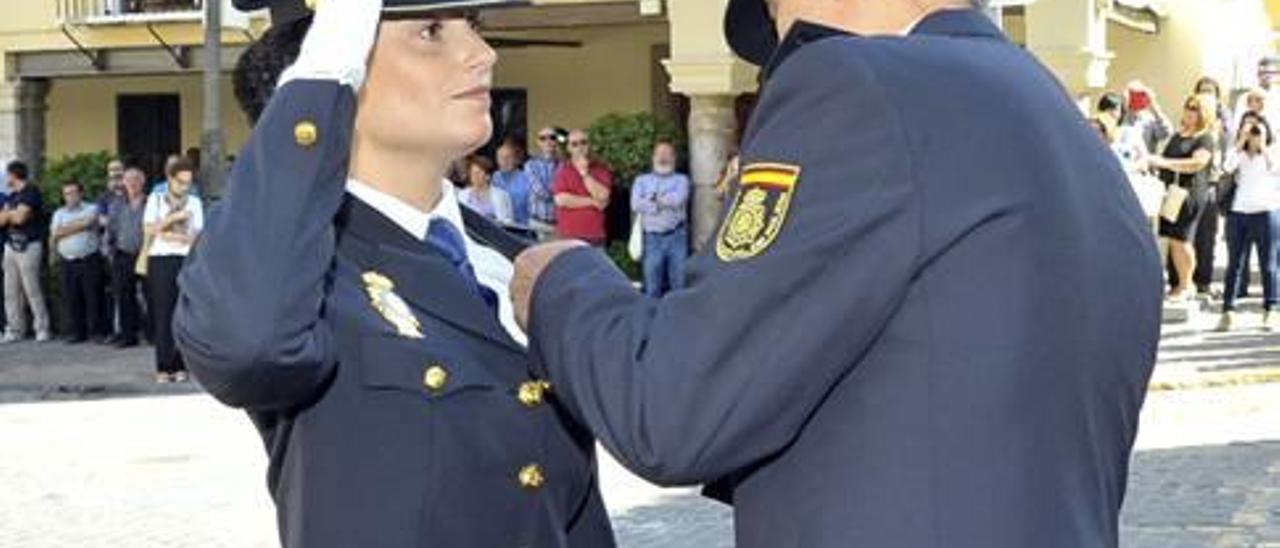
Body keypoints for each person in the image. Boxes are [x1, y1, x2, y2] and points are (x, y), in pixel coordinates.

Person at [509, 1, 1161, 547]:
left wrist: (562, 281)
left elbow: (672, 406)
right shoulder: (1049, 113)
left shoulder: (855, 81)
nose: (782, 54)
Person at [173, 1, 615, 547]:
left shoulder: (515, 260)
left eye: (472, 28)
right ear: (340, 67)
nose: (482, 54)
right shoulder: (304, 270)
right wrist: (322, 74)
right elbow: (247, 347)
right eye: (431, 31)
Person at [1216, 113, 1280, 332]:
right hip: (1239, 212)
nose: (1253, 134)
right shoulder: (1238, 153)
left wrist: (1262, 147)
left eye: (1257, 130)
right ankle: (1228, 311)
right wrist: (1241, 142)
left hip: (1266, 212)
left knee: (1268, 265)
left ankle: (1270, 309)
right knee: (1235, 263)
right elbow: (1227, 167)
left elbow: (1275, 169)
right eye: (1249, 130)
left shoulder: (1272, 151)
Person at [1149, 96, 1216, 300]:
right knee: (1172, 239)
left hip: (1189, 193)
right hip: (1171, 192)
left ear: (1203, 113)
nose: (1189, 112)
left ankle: (1186, 285)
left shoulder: (1205, 138)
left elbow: (1197, 163)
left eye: (1194, 109)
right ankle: (1179, 283)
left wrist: (1164, 163)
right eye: (1187, 107)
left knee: (1182, 238)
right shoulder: (1179, 134)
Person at [145, 158, 203, 383]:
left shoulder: (195, 202)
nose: (184, 187)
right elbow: (150, 228)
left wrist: (174, 235)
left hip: (186, 258)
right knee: (163, 313)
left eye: (188, 182)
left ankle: (181, 366)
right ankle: (163, 366)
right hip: (161, 259)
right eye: (180, 182)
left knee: (183, 313)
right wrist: (173, 218)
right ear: (170, 179)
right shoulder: (156, 199)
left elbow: (197, 234)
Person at [0, 161, 52, 343]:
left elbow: (20, 219)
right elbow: (2, 220)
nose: (5, 178)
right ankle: (15, 329)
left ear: (13, 175)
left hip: (29, 245)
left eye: (6, 175)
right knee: (10, 291)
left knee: (32, 289)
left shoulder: (31, 191)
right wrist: (11, 214)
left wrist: (9, 214)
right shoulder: (12, 196)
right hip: (11, 246)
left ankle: (42, 328)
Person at [630, 140, 690, 297]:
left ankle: (679, 319)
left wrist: (650, 200)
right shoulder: (641, 180)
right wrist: (660, 204)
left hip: (677, 237)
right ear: (653, 157)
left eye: (667, 154)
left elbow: (677, 200)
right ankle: (651, 319)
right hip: (652, 239)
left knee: (679, 285)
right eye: (659, 154)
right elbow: (635, 204)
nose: (663, 157)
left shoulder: (682, 180)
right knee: (652, 287)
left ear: (674, 158)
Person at [50, 181, 107, 343]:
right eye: (67, 193)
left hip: (89, 259)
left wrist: (65, 229)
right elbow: (55, 234)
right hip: (68, 261)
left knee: (93, 297)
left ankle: (96, 332)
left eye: (73, 192)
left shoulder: (91, 208)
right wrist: (78, 225)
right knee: (72, 297)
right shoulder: (58, 213)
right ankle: (77, 333)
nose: (70, 196)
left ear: (81, 193)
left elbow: (89, 222)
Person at [1192, 78, 1230, 297]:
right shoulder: (1191, 117)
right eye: (1202, 91)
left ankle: (1204, 282)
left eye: (1210, 92)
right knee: (1189, 235)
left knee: (1208, 236)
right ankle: (1186, 280)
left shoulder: (1224, 121)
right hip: (1192, 182)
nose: (1206, 95)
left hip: (1214, 183)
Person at [106, 167, 148, 347]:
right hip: (123, 255)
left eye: (136, 180)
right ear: (123, 183)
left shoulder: (152, 202)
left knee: (151, 296)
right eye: (129, 180)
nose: (132, 184)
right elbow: (111, 229)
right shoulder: (116, 204)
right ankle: (128, 335)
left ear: (142, 182)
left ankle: (152, 333)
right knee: (124, 297)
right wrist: (110, 251)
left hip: (146, 255)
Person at [552, 129, 611, 245]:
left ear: (589, 145)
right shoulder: (562, 170)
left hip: (595, 235)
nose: (580, 147)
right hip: (568, 235)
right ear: (569, 148)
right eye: (574, 144)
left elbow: (603, 196)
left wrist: (584, 173)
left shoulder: (600, 169)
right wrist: (592, 202)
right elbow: (561, 200)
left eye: (583, 142)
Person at [525, 126, 563, 240]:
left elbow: (566, 190)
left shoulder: (564, 164)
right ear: (538, 142)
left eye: (552, 137)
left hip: (560, 224)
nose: (548, 141)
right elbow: (541, 193)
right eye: (543, 138)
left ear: (556, 141)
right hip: (538, 224)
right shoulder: (530, 165)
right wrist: (559, 192)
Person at [458, 154, 514, 224]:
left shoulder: (501, 195)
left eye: (478, 173)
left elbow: (508, 221)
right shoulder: (462, 195)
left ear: (488, 176)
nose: (474, 175)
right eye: (472, 172)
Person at [492, 140, 533, 227]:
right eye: (501, 158)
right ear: (497, 160)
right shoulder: (495, 177)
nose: (505, 161)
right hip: (501, 226)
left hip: (523, 226)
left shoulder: (526, 177)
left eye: (508, 157)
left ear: (515, 159)